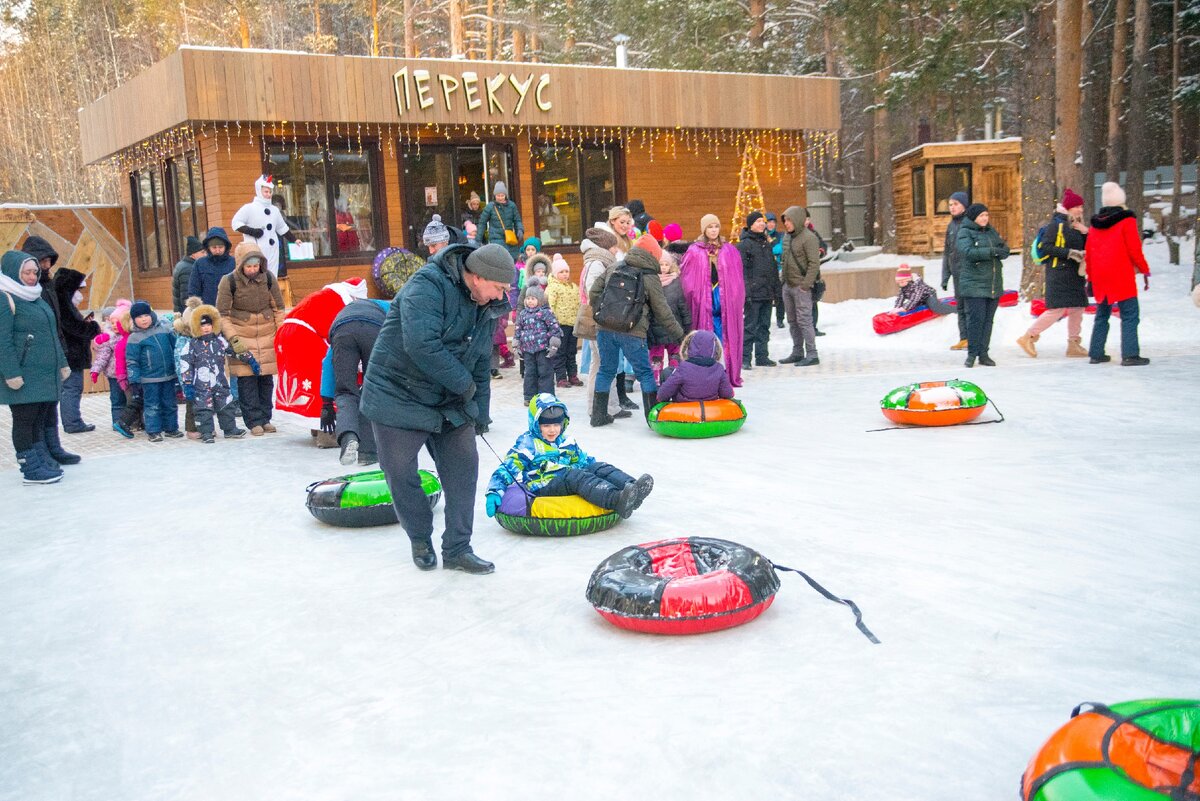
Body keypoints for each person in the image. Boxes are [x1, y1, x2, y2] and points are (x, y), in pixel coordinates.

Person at [360, 242, 513, 575]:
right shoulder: (427, 285)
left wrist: (480, 412)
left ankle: (458, 548)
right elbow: (422, 345)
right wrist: (466, 387)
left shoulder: (487, 306)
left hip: (448, 396)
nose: (502, 296)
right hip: (398, 392)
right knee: (400, 473)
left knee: (464, 468)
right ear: (477, 277)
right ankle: (419, 537)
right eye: (499, 288)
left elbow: (481, 359)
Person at [484, 394, 654, 521]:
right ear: (536, 425)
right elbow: (508, 468)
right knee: (575, 476)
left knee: (596, 466)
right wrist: (494, 491)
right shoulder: (528, 443)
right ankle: (616, 499)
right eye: (546, 426)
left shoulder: (566, 441)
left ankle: (632, 488)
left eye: (556, 425)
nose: (552, 430)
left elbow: (582, 460)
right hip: (544, 484)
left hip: (566, 478)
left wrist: (596, 469)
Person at [589, 235, 683, 426]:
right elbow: (662, 310)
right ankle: (652, 418)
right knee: (645, 373)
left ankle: (598, 416)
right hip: (633, 331)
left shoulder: (614, 267)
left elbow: (594, 292)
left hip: (605, 328)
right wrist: (680, 335)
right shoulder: (649, 276)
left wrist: (605, 313)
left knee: (606, 369)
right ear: (651, 255)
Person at [1, 250, 69, 484]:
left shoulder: (34, 296)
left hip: (43, 373)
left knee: (39, 417)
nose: (32, 277)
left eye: (34, 272)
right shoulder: (5, 297)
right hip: (23, 373)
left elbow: (51, 334)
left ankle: (40, 456)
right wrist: (11, 373)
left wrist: (61, 363)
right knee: (25, 419)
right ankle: (29, 465)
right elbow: (3, 340)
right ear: (13, 272)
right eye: (26, 272)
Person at [22, 235, 81, 466]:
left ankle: (54, 447)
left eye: (48, 261)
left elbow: (57, 320)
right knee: (38, 408)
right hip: (35, 356)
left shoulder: (48, 285)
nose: (45, 266)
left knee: (51, 402)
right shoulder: (24, 289)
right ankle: (41, 451)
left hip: (55, 351)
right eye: (41, 261)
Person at [216, 243, 285, 434]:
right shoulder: (228, 281)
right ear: (241, 265)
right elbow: (222, 314)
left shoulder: (269, 279)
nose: (253, 270)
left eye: (256, 266)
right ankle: (253, 421)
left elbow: (279, 308)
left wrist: (281, 331)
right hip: (242, 333)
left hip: (267, 333)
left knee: (266, 380)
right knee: (247, 382)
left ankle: (266, 418)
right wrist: (234, 339)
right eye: (249, 266)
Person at [1017, 189, 1091, 359]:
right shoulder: (1055, 225)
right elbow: (1046, 247)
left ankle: (1074, 344)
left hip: (1075, 274)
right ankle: (1028, 337)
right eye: (1077, 206)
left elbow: (1087, 246)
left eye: (1081, 206)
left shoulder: (1077, 225)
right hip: (1059, 274)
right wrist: (1070, 253)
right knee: (1056, 309)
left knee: (1077, 307)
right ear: (1069, 208)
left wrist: (1085, 232)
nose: (1080, 209)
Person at [319, 297, 391, 465]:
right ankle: (368, 453)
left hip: (342, 330)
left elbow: (328, 363)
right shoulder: (390, 307)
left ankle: (348, 436)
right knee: (371, 389)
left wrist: (326, 403)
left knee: (345, 392)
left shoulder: (346, 313)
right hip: (375, 328)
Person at [1085, 182, 1151, 366]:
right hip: (1121, 275)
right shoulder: (1127, 221)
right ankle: (1130, 354)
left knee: (1102, 314)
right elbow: (1134, 249)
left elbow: (1089, 253)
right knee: (1130, 314)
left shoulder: (1095, 224)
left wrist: (1091, 277)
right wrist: (1144, 268)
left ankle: (1096, 353)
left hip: (1100, 276)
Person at [680, 215, 747, 385]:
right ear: (704, 229)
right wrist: (697, 295)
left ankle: (726, 372)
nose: (713, 230)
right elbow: (687, 278)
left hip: (725, 300)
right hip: (704, 300)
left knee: (726, 335)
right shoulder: (694, 250)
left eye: (716, 226)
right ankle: (706, 372)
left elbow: (737, 278)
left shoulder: (729, 250)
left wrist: (734, 297)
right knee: (706, 335)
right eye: (710, 227)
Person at [178, 305, 255, 443]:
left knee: (226, 405)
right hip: (201, 385)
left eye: (209, 325)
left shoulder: (219, 341)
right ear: (196, 327)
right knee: (203, 409)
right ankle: (206, 432)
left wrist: (250, 359)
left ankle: (230, 429)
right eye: (203, 326)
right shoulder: (191, 345)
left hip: (220, 382)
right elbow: (185, 365)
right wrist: (187, 384)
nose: (206, 328)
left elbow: (235, 351)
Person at [578, 226, 627, 420]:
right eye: (613, 247)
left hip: (602, 318)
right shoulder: (597, 263)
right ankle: (597, 409)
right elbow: (594, 292)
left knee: (602, 364)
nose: (616, 250)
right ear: (605, 246)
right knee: (603, 365)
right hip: (599, 320)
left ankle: (610, 407)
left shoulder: (598, 262)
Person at [955, 203, 1010, 367]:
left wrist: (1003, 251)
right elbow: (968, 252)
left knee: (988, 320)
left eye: (986, 215)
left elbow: (1003, 248)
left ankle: (984, 353)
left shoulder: (991, 231)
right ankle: (972, 354)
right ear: (974, 218)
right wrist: (991, 252)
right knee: (976, 320)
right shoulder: (965, 232)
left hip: (992, 283)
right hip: (974, 284)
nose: (985, 218)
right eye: (981, 216)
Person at [124, 300, 182, 441]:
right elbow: (132, 361)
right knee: (152, 405)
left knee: (170, 403)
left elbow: (176, 348)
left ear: (151, 315)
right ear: (134, 320)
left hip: (168, 375)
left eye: (146, 315)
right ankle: (153, 430)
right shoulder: (134, 338)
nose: (143, 319)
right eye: (139, 317)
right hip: (149, 379)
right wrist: (134, 380)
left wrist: (178, 370)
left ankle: (171, 428)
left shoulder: (165, 329)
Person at [52, 267, 101, 433]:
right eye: (77, 289)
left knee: (71, 389)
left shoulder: (59, 302)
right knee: (72, 389)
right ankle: (73, 422)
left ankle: (73, 421)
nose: (80, 294)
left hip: (69, 355)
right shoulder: (63, 305)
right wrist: (92, 327)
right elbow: (74, 327)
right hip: (70, 355)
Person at [232, 175, 301, 278]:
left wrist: (294, 239)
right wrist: (252, 231)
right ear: (259, 191)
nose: (268, 194)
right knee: (256, 275)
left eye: (270, 192)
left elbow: (282, 228)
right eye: (266, 192)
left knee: (272, 275)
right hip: (255, 249)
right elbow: (236, 223)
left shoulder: (275, 210)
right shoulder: (249, 208)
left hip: (272, 249)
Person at [778, 206, 821, 367]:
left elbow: (814, 263)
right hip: (787, 286)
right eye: (785, 220)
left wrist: (805, 285)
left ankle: (812, 353)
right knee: (792, 321)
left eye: (789, 220)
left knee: (804, 321)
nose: (786, 223)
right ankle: (797, 352)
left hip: (801, 287)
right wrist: (783, 279)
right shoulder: (787, 237)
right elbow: (784, 258)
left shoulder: (809, 238)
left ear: (797, 219)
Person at [738, 211, 780, 369]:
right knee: (750, 327)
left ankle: (762, 356)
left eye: (762, 221)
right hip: (753, 294)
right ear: (750, 225)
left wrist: (776, 290)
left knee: (764, 326)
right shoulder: (744, 245)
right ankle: (745, 358)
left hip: (767, 293)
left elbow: (772, 269)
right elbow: (742, 271)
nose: (761, 224)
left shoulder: (766, 244)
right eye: (757, 222)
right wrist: (747, 292)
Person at [656, 329, 734, 405]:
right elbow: (728, 394)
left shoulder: (684, 367)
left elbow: (662, 395)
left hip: (685, 407)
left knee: (667, 372)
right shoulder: (718, 368)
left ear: (691, 347)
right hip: (709, 409)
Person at [647, 250, 690, 382]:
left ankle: (674, 379)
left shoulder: (676, 282)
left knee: (675, 356)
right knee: (656, 358)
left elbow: (683, 305)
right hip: (656, 328)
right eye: (661, 264)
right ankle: (656, 381)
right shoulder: (651, 281)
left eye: (667, 264)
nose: (664, 267)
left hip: (674, 327)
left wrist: (687, 324)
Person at [515, 286, 562, 404]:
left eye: (533, 298)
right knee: (529, 373)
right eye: (528, 298)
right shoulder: (523, 314)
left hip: (543, 349)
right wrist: (516, 343)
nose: (530, 301)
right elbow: (518, 329)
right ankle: (529, 397)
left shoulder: (545, 313)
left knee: (545, 372)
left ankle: (546, 396)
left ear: (540, 300)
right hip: (528, 350)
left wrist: (553, 343)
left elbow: (555, 328)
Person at [90, 301, 131, 426]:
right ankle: (118, 422)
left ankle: (131, 422)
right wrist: (95, 370)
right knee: (117, 400)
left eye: (117, 322)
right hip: (114, 375)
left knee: (131, 400)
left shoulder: (132, 337)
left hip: (130, 374)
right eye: (111, 323)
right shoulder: (109, 338)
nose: (114, 326)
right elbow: (102, 356)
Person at [546, 254, 581, 388]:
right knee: (560, 351)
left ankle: (572, 374)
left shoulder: (573, 287)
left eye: (566, 271)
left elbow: (578, 303)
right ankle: (561, 377)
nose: (565, 274)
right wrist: (552, 323)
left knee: (571, 351)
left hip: (572, 323)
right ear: (555, 274)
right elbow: (550, 306)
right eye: (561, 272)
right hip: (560, 325)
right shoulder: (553, 287)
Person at [941, 191, 971, 350]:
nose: (952, 207)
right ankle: (963, 338)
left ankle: (972, 338)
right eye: (950, 205)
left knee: (969, 306)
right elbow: (947, 251)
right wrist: (945, 275)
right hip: (956, 272)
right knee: (960, 305)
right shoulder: (951, 225)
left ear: (964, 205)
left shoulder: (970, 223)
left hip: (969, 272)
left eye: (956, 204)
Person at [187, 227, 236, 306]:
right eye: (214, 247)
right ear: (208, 248)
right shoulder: (200, 264)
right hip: (207, 310)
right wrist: (196, 308)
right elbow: (194, 289)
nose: (217, 250)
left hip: (230, 310)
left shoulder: (234, 262)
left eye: (220, 247)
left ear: (226, 246)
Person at [477, 181, 525, 261]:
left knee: (512, 260)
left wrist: (520, 230)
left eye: (502, 195)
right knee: (499, 260)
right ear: (495, 196)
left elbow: (517, 220)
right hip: (496, 239)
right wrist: (478, 239)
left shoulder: (512, 206)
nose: (500, 197)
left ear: (505, 195)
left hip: (510, 239)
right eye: (498, 195)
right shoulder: (490, 207)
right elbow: (482, 223)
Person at [888, 264, 955, 315]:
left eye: (902, 282)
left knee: (936, 308)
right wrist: (896, 308)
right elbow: (900, 298)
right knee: (908, 306)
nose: (900, 284)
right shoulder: (903, 287)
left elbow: (915, 299)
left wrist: (904, 308)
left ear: (908, 280)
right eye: (898, 282)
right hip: (919, 299)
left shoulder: (917, 285)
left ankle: (958, 309)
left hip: (928, 296)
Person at [172, 236, 205, 314]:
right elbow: (187, 296)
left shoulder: (183, 265)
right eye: (202, 252)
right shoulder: (189, 269)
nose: (205, 255)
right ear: (193, 254)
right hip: (187, 313)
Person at [765, 213, 786, 329]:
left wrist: (771, 248)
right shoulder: (761, 236)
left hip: (778, 269)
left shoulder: (780, 235)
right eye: (769, 222)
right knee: (767, 296)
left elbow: (780, 249)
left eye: (773, 222)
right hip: (766, 271)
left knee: (779, 296)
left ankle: (780, 318)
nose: (771, 224)